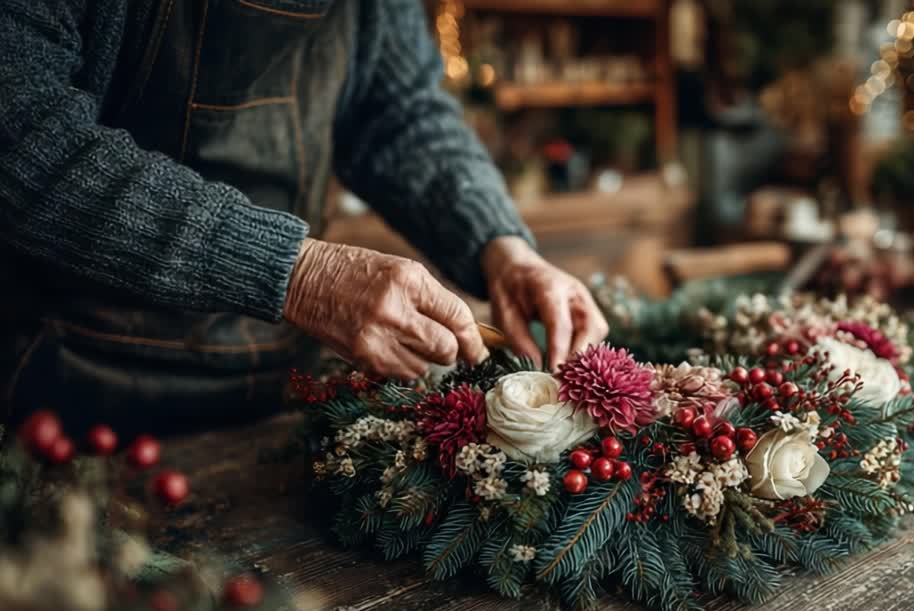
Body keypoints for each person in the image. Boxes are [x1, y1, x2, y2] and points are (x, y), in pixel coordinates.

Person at [0, 0, 608, 435]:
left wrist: (500, 247)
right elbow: (23, 134)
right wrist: (295, 272)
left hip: (276, 387)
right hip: (64, 386)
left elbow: (400, 114)